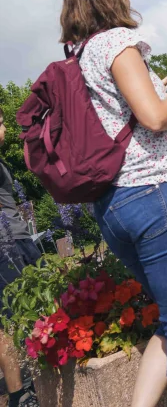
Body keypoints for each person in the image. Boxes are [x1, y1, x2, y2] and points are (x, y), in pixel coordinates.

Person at [59, 0, 167, 407]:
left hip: (112, 205)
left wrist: (153, 89)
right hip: (156, 192)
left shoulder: (78, 57)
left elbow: (118, 114)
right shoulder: (116, 43)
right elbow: (154, 117)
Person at [0, 109, 40, 407]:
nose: (4, 129)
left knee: (4, 323)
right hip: (11, 245)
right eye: (0, 123)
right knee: (30, 313)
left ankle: (19, 395)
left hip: (8, 243)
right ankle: (36, 384)